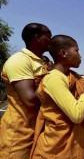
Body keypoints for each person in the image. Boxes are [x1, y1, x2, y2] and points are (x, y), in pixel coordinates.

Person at [30, 35, 84, 158]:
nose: (80, 55)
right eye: (77, 51)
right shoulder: (53, 79)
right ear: (64, 53)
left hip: (77, 146)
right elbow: (77, 115)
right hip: (57, 148)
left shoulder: (74, 77)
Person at [0, 23, 52, 158]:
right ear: (37, 38)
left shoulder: (43, 63)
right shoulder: (20, 61)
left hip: (38, 128)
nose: (51, 41)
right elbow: (30, 101)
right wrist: (54, 80)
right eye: (49, 37)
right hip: (19, 131)